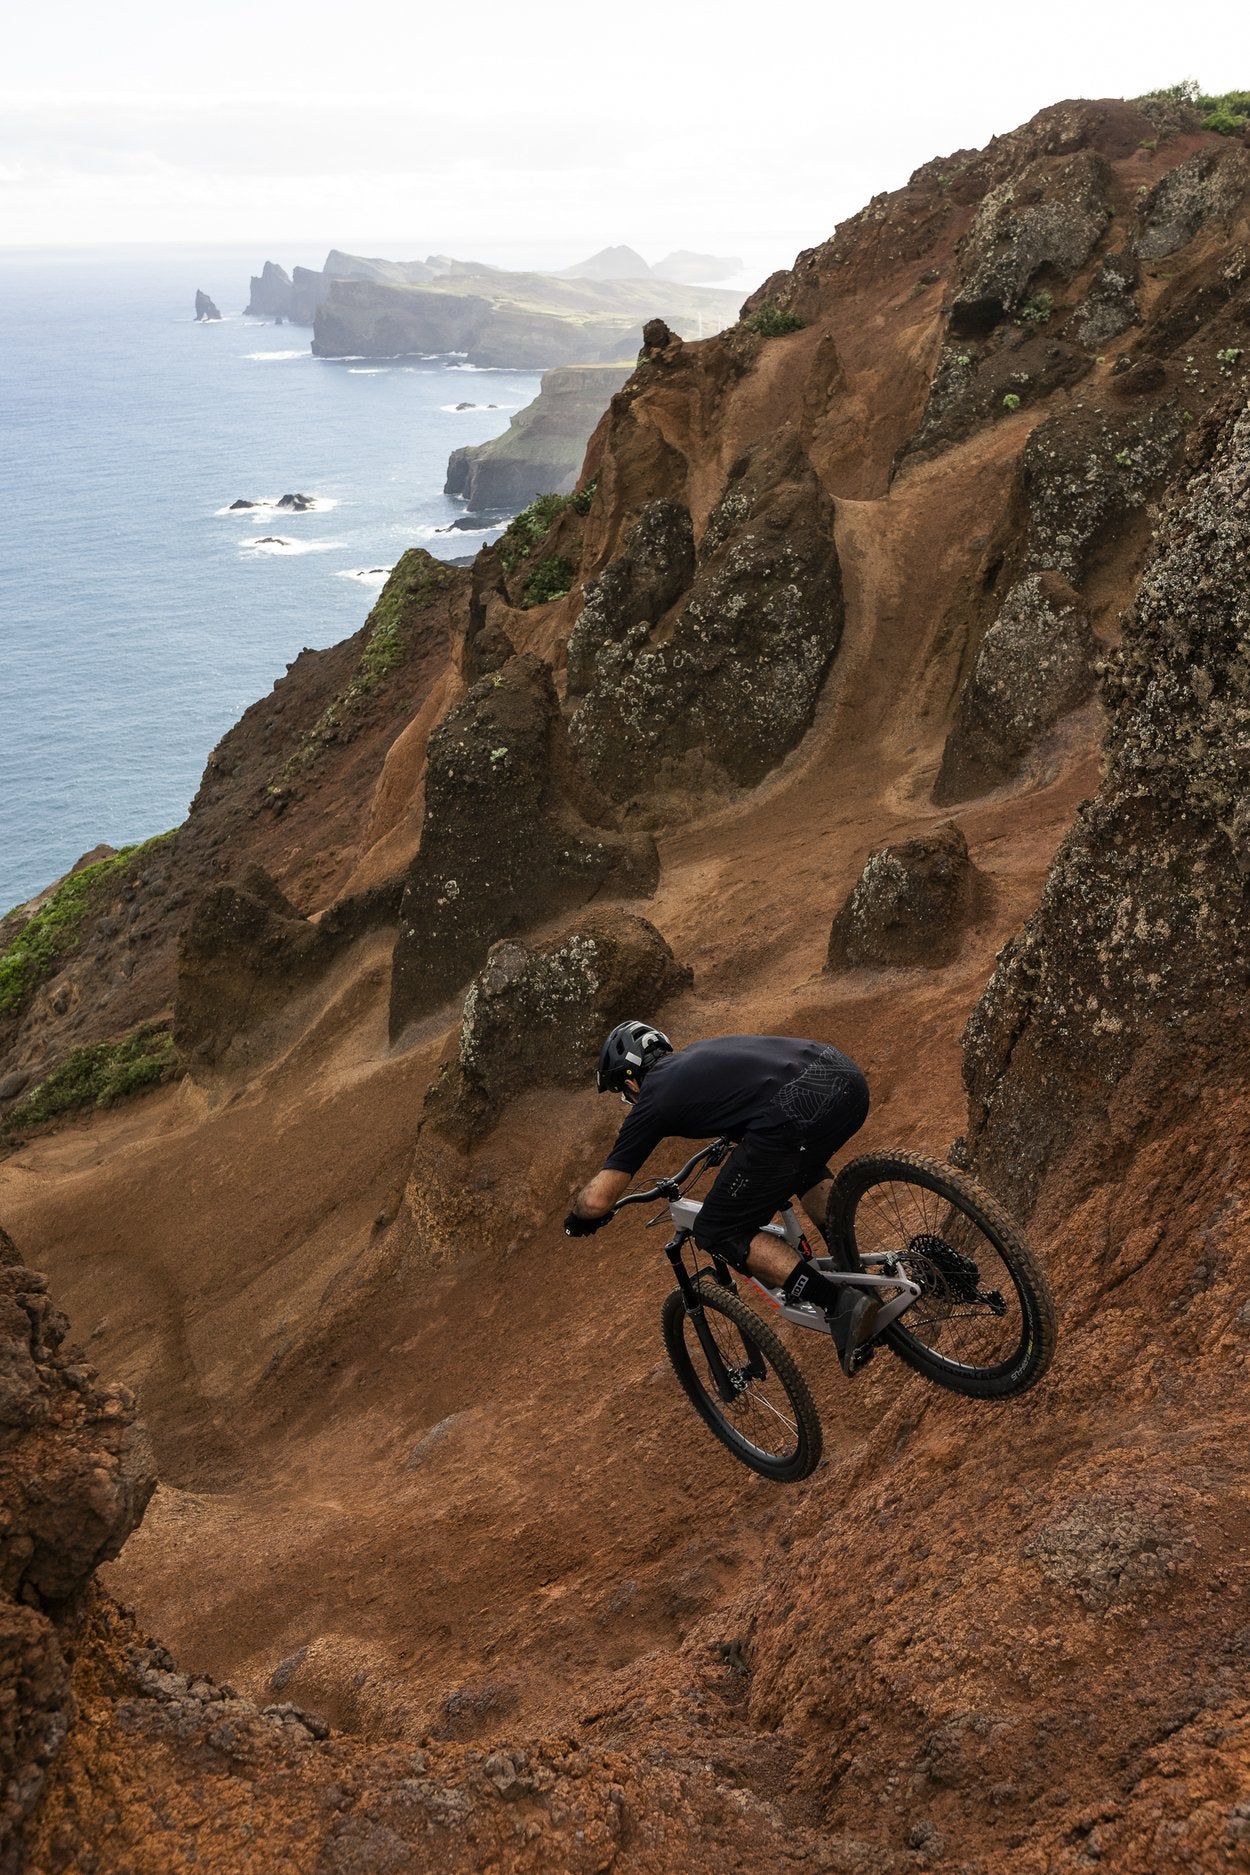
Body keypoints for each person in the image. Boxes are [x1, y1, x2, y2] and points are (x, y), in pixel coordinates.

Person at [564, 1022, 878, 1369]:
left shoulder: (652, 1096)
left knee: (719, 1229)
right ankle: (856, 1272)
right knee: (799, 1162)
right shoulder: (700, 1054)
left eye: (625, 1095)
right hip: (842, 1075)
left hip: (792, 1113)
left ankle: (839, 1304)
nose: (630, 1100)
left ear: (630, 1081)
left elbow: (597, 1200)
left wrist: (578, 1218)